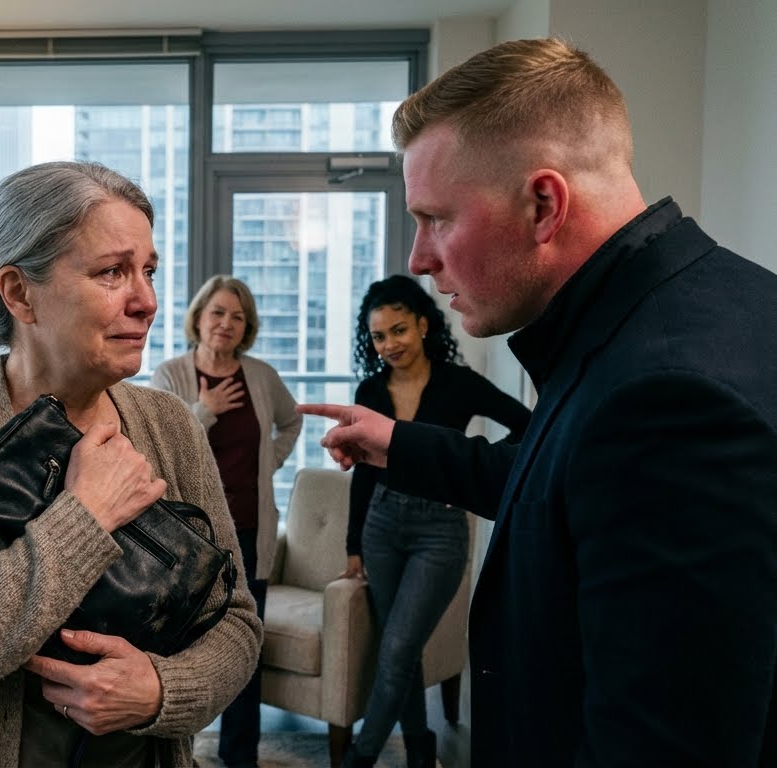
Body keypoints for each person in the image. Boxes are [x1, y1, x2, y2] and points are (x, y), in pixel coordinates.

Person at [299, 38, 777, 768]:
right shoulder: (699, 307)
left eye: (436, 218)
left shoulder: (666, 397)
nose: (419, 259)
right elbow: (557, 481)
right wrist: (396, 443)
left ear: (543, 204)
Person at [0, 160, 262, 767]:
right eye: (112, 272)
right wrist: (84, 517)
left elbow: (236, 622)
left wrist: (160, 691)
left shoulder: (171, 425)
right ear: (19, 293)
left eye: (148, 271)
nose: (147, 301)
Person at [337, 275, 529, 768]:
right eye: (379, 336)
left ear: (423, 325)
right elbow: (362, 474)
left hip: (438, 532)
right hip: (381, 525)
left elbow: (528, 425)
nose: (390, 345)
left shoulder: (458, 383)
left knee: (398, 648)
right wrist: (353, 544)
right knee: (401, 651)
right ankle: (420, 749)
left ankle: (360, 757)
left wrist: (473, 467)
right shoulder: (369, 390)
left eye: (399, 330)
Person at [150, 275, 302, 768]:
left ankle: (241, 758)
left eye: (238, 316)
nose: (226, 323)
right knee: (184, 648)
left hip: (250, 530)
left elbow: (292, 420)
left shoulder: (260, 376)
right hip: (189, 539)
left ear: (247, 327)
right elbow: (160, 446)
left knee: (245, 647)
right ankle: (179, 753)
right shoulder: (170, 375)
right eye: (217, 312)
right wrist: (204, 410)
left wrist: (270, 461)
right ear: (198, 317)